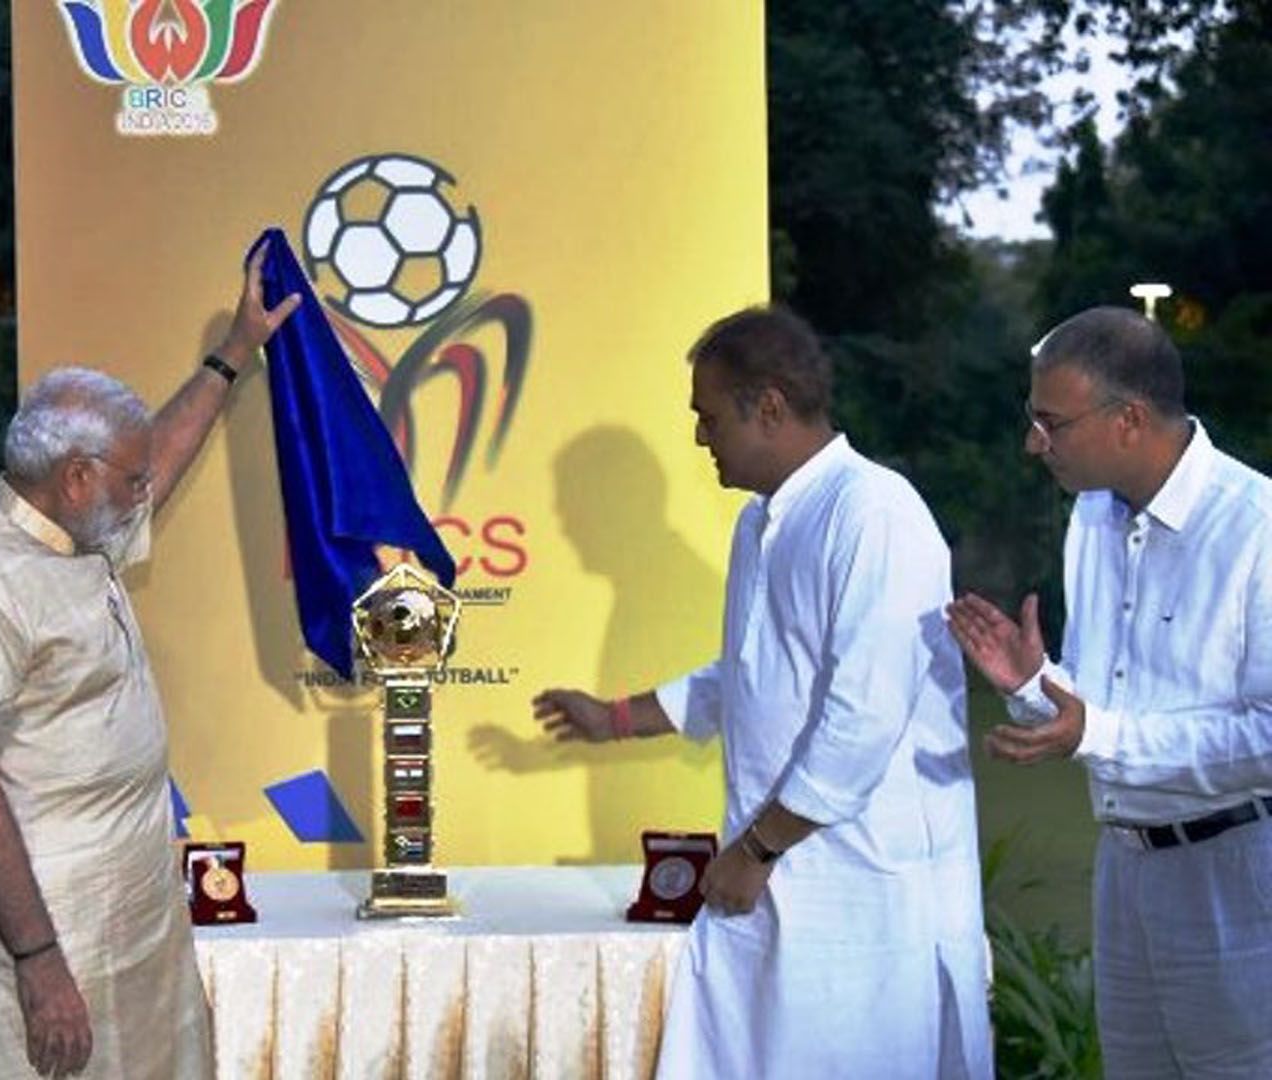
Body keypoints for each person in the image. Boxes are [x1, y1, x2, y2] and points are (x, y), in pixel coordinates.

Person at [533, 307, 991, 1078]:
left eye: (709, 417)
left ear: (769, 407)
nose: (700, 437)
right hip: (779, 877)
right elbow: (747, 676)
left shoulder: (873, 513)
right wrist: (614, 718)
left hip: (862, 894)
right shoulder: (760, 522)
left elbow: (863, 718)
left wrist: (754, 849)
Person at [0, 245, 299, 1079]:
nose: (145, 492)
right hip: (46, 942)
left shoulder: (81, 531)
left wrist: (232, 353)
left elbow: (162, 457)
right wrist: (40, 962)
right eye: (131, 480)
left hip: (134, 916)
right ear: (78, 476)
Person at [947, 306, 1272, 1077]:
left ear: (1129, 420)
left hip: (1240, 879)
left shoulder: (1257, 527)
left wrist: (1095, 733)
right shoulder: (1092, 516)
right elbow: (1103, 707)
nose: (1034, 443)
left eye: (1051, 423)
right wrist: (1034, 686)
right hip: (1125, 872)